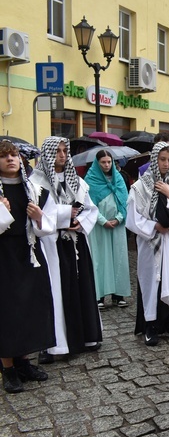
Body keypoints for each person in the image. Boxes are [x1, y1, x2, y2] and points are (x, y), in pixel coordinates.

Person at [31, 137, 103, 363]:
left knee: (81, 287)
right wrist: (64, 216)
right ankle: (55, 344)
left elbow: (91, 208)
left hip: (75, 241)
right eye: (57, 151)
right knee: (55, 290)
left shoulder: (77, 181)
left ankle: (86, 336)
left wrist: (80, 222)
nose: (62, 155)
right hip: (52, 243)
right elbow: (37, 213)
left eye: (65, 151)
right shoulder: (36, 182)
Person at [0, 140, 55, 393]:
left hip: (29, 254)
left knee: (29, 309)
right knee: (7, 312)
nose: (11, 159)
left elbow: (47, 228)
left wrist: (38, 217)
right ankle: (8, 368)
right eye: (4, 156)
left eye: (14, 155)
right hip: (4, 258)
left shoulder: (33, 188)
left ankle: (23, 362)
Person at [126, 142, 169, 346]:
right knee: (152, 282)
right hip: (151, 243)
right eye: (162, 159)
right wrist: (153, 226)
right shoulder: (140, 187)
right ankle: (151, 325)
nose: (166, 164)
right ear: (154, 160)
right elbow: (133, 218)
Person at [85, 150, 131, 309]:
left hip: (117, 225)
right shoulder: (90, 180)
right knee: (101, 260)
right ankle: (100, 295)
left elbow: (126, 201)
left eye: (109, 162)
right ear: (97, 164)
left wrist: (119, 218)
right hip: (99, 227)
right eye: (103, 162)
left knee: (118, 258)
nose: (106, 165)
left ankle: (119, 295)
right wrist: (103, 221)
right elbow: (89, 205)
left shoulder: (119, 179)